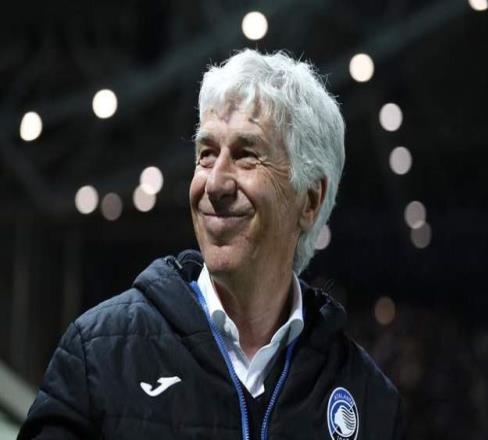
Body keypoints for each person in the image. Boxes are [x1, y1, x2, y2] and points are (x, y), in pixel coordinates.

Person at [19, 49, 403, 440]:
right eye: (206, 154)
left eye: (246, 155)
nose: (215, 183)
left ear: (310, 201)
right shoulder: (98, 354)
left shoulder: (369, 400)